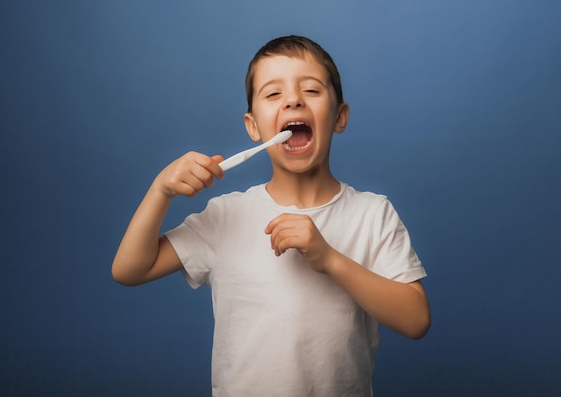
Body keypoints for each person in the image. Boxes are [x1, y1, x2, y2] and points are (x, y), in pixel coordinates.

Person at [112, 35, 430, 396]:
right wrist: (160, 192)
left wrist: (329, 259)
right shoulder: (226, 216)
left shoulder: (373, 214)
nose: (293, 99)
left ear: (339, 116)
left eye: (311, 90)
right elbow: (128, 270)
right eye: (273, 94)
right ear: (254, 127)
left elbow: (416, 320)